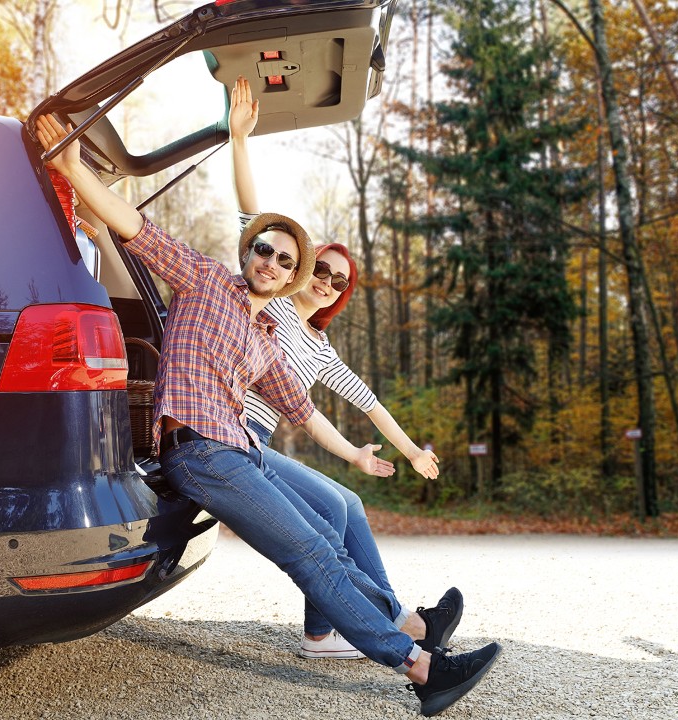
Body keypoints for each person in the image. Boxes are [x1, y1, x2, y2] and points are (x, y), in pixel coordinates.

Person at [36, 113, 500, 717]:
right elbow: (135, 226)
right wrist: (72, 166)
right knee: (311, 552)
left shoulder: (266, 340)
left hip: (240, 452)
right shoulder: (204, 279)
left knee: (325, 544)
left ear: (291, 276)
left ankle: (411, 635)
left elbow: (305, 413)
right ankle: (419, 666)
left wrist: (356, 454)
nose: (271, 263)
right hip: (199, 450)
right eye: (264, 250)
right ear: (248, 250)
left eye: (284, 260)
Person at [229, 75, 469, 663]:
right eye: (321, 269)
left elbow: (370, 403)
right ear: (301, 267)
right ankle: (381, 625)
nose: (327, 281)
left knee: (348, 505)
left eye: (339, 281)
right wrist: (239, 140)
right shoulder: (273, 300)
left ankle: (350, 626)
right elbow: (252, 219)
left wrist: (411, 451)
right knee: (335, 510)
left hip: (260, 440)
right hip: (235, 435)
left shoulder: (321, 349)